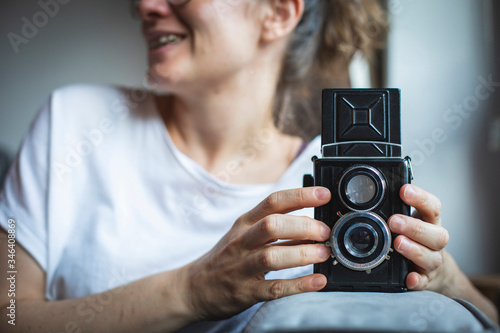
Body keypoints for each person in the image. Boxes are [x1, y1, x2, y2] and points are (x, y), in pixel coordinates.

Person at [0, 0, 497, 332]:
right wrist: (190, 291)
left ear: (278, 12)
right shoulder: (74, 119)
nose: (145, 5)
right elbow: (9, 311)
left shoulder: (350, 185)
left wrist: (445, 280)